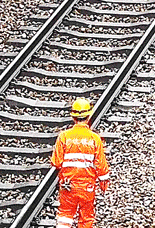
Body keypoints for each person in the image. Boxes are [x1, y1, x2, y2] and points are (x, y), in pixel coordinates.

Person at [51, 98, 109, 228]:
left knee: (65, 215)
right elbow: (101, 164)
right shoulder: (94, 138)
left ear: (73, 117)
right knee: (86, 217)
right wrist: (104, 181)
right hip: (87, 186)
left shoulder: (64, 136)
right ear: (88, 116)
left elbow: (56, 162)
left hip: (68, 184)